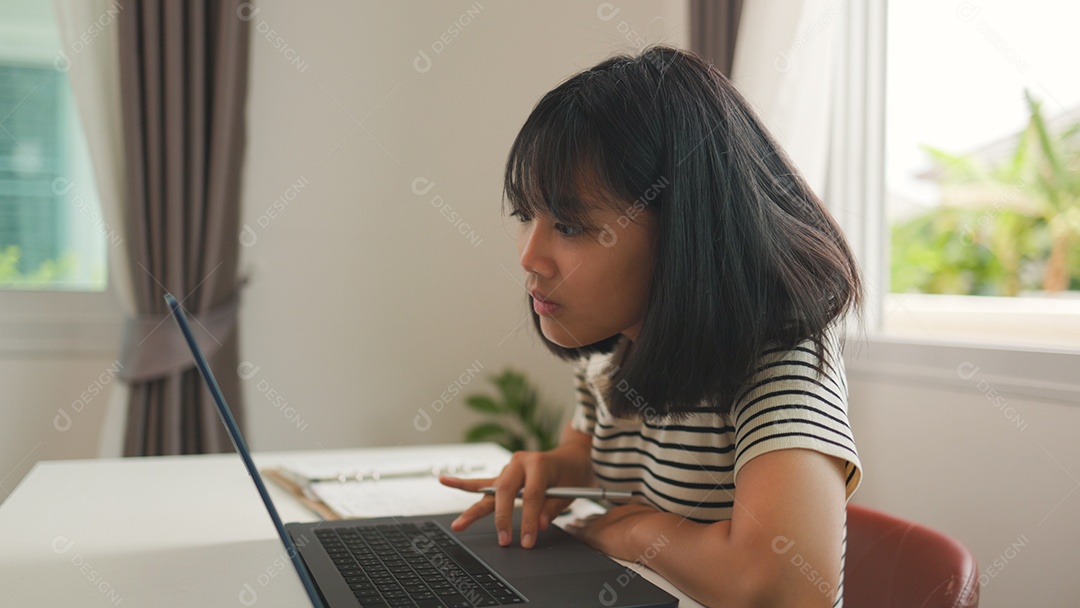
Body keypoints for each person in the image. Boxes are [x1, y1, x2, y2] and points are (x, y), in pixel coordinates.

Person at [439, 45, 862, 608]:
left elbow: (785, 586)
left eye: (570, 225)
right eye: (525, 215)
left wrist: (639, 532)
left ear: (683, 229)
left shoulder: (782, 353)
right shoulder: (610, 341)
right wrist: (556, 469)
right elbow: (589, 451)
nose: (529, 256)